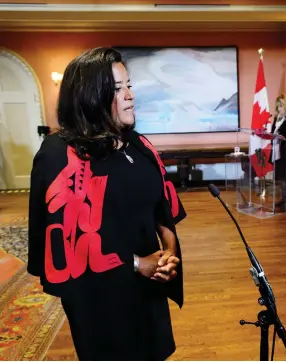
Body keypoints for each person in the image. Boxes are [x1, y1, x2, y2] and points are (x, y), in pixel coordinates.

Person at [27, 47, 187, 361]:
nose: (129, 95)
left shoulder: (139, 145)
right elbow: (64, 245)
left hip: (148, 288)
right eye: (117, 89)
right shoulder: (59, 154)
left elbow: (162, 210)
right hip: (99, 296)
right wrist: (138, 264)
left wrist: (168, 254)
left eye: (129, 86)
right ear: (90, 96)